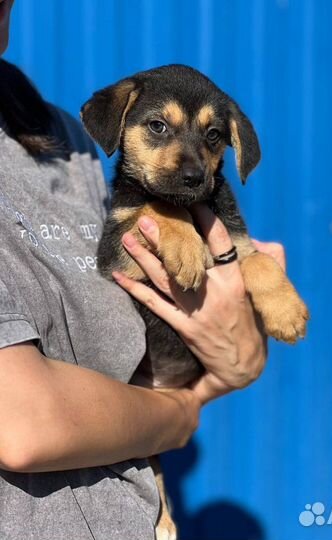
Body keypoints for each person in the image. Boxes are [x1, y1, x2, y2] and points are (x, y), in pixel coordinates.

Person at [0, 1, 286, 538]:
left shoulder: (67, 143)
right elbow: (22, 425)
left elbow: (235, 342)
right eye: (159, 129)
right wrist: (184, 411)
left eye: (211, 139)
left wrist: (243, 349)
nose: (190, 160)